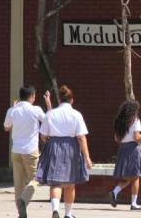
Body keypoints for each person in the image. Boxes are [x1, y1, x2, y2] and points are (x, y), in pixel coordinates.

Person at [36, 85, 93, 218]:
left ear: (59, 100)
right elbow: (81, 137)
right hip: (71, 148)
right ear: (71, 100)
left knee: (55, 182)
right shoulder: (76, 114)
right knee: (70, 183)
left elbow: (43, 136)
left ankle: (55, 209)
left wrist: (49, 142)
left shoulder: (51, 114)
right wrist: (87, 157)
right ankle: (68, 213)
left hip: (54, 146)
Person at [3, 85, 51, 218]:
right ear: (31, 96)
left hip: (16, 150)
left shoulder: (12, 110)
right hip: (30, 151)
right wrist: (48, 103)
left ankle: (20, 213)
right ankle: (23, 200)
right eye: (34, 96)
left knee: (18, 183)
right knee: (35, 178)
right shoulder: (35, 109)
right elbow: (48, 120)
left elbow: (6, 127)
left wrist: (13, 108)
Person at [109, 100, 141, 210]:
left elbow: (117, 139)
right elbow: (137, 137)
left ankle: (115, 191)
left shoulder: (118, 121)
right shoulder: (135, 120)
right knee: (135, 177)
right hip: (133, 150)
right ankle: (134, 203)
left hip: (123, 149)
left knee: (127, 177)